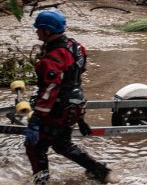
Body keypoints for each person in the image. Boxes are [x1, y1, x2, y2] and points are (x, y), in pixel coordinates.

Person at [25, 10, 118, 184]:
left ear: (48, 31)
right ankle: (101, 172)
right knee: (62, 144)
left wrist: (36, 120)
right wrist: (80, 118)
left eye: (39, 29)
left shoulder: (52, 58)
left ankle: (41, 182)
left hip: (57, 108)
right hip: (74, 104)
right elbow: (78, 74)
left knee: (35, 146)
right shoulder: (76, 47)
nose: (36, 32)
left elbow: (50, 89)